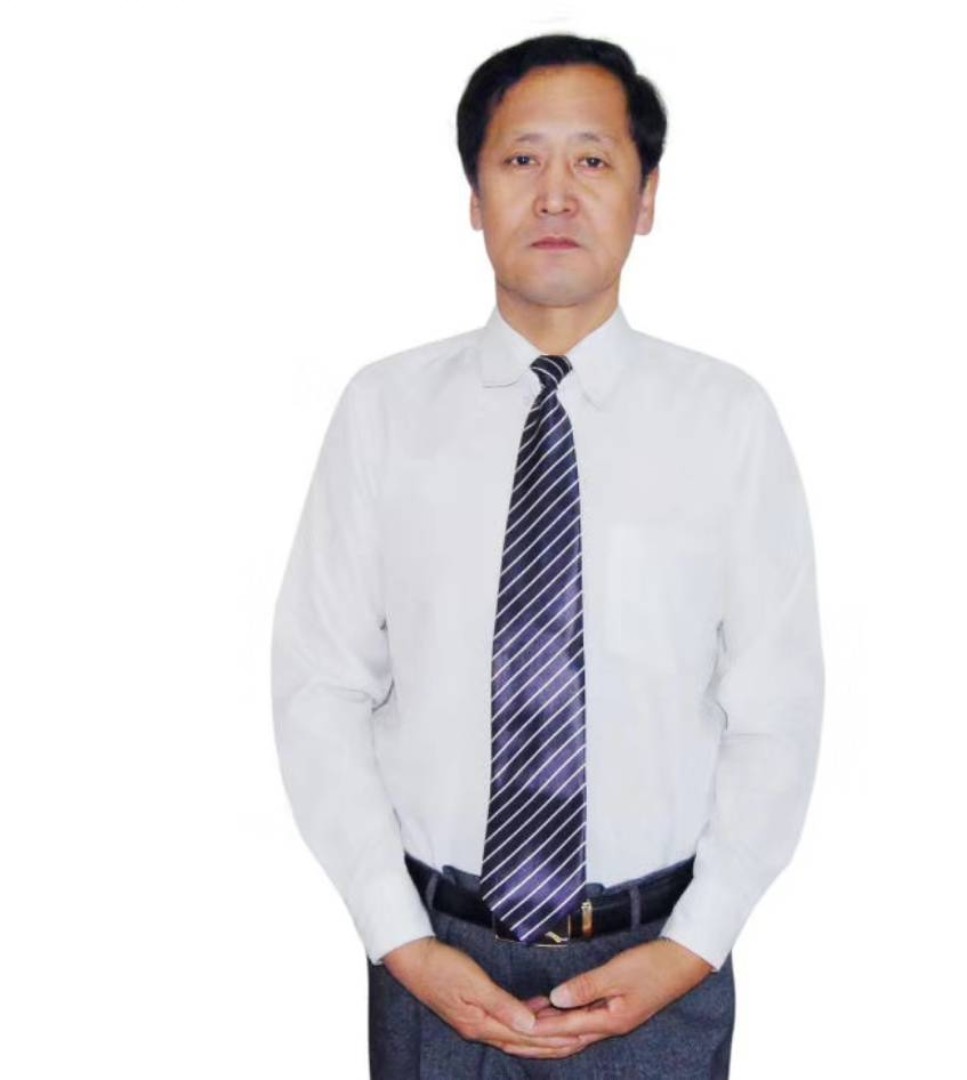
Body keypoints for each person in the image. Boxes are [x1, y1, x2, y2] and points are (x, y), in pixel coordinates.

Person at [272, 32, 824, 1078]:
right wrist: (398, 939)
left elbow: (776, 709)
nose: (556, 194)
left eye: (594, 160)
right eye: (522, 159)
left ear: (646, 197)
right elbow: (320, 687)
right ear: (475, 194)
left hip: (657, 964)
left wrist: (695, 944)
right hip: (435, 963)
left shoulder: (728, 422)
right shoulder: (383, 414)